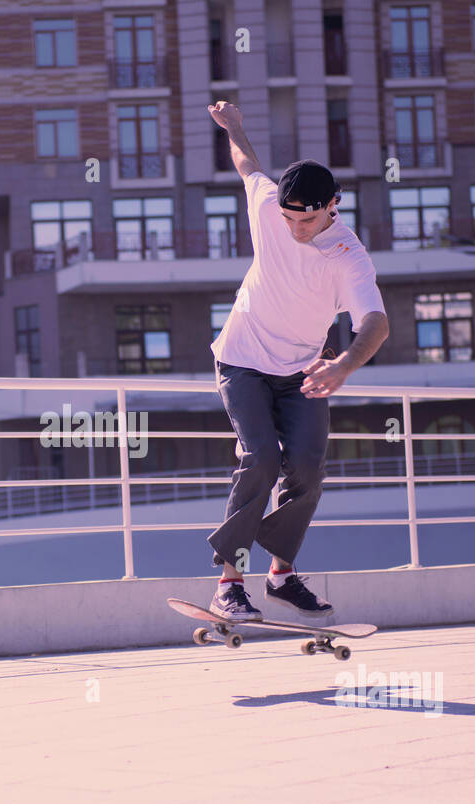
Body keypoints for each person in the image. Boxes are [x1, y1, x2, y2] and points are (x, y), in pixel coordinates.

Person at [206, 100, 390, 622]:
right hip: (242, 360)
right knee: (261, 458)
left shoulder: (348, 256)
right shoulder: (269, 205)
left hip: (304, 371)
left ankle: (281, 576)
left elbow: (376, 322)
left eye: (306, 219)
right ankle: (229, 583)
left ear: (334, 204)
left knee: (307, 467)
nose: (295, 228)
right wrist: (234, 124)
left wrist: (345, 365)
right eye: (288, 218)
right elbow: (247, 164)